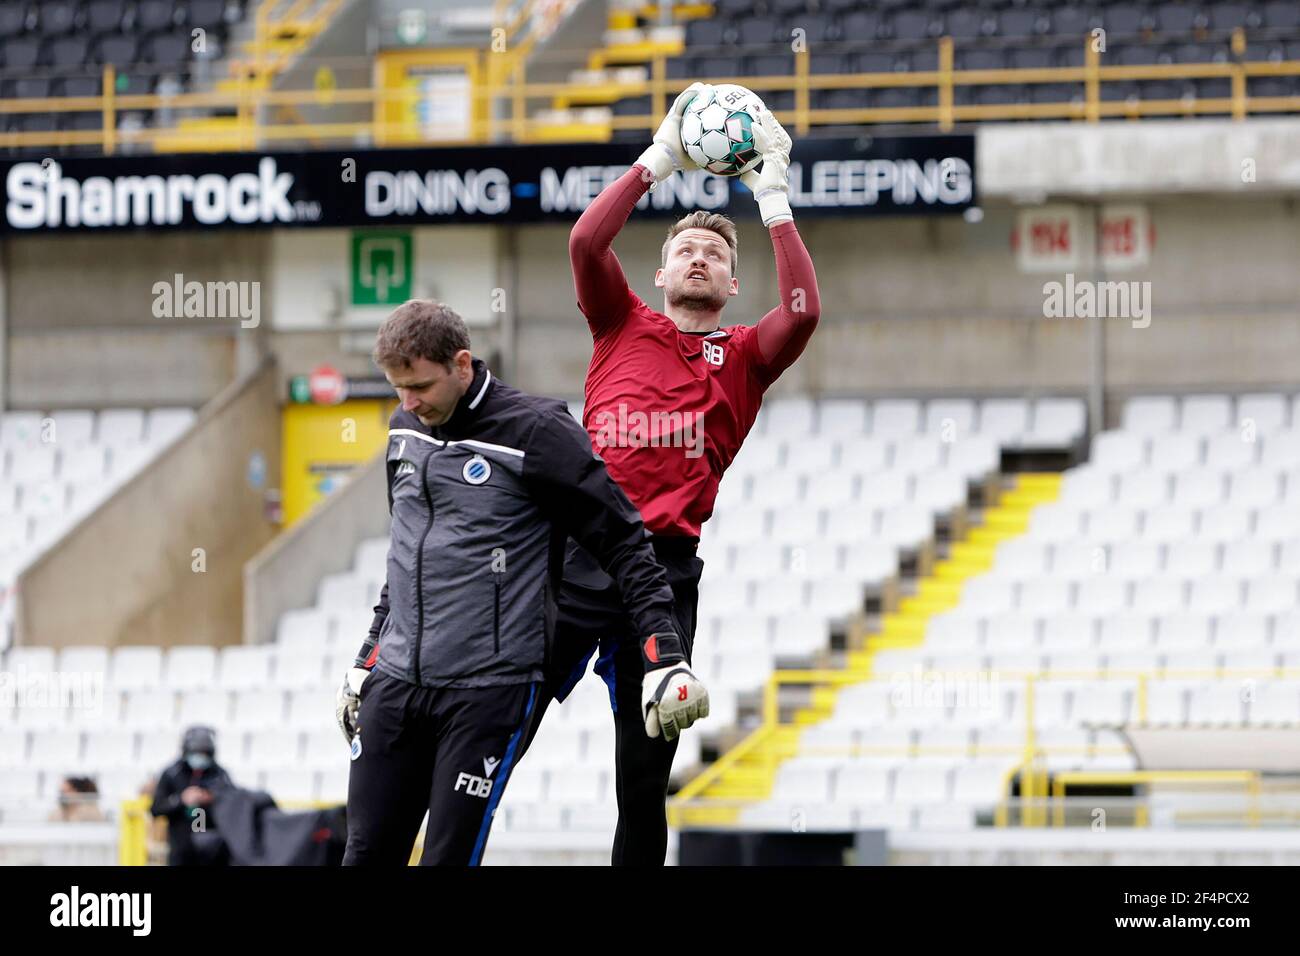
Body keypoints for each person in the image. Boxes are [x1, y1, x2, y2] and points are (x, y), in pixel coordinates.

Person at [518, 82, 822, 865]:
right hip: (575, 557)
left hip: (664, 573)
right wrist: (655, 161)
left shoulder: (748, 356)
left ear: (731, 287)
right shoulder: (619, 321)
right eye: (685, 249)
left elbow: (806, 310)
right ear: (658, 275)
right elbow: (587, 243)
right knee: (497, 732)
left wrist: (774, 200)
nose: (699, 256)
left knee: (644, 781)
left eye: (716, 254)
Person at [333, 300, 708, 866]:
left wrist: (666, 652)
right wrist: (368, 657)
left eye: (419, 387)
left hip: (487, 691)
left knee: (445, 859)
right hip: (396, 685)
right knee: (364, 853)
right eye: (397, 389)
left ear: (462, 364)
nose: (407, 403)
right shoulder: (404, 429)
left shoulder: (538, 431)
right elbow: (407, 555)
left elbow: (627, 541)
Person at [150, 725, 233, 865]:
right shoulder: (172, 773)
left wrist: (212, 798)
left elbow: (233, 804)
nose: (200, 758)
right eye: (196, 753)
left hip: (212, 851)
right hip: (181, 850)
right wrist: (181, 800)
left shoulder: (219, 775)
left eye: (204, 754)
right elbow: (156, 808)